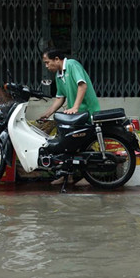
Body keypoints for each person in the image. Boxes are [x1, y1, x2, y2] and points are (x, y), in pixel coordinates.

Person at [38, 48, 101, 187]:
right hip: (75, 115)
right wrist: (47, 113)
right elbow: (60, 98)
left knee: (86, 145)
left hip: (87, 111)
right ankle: (68, 175)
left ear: (57, 59)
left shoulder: (72, 65)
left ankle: (91, 176)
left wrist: (75, 107)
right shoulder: (59, 75)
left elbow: (82, 86)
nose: (47, 66)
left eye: (48, 63)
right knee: (70, 145)